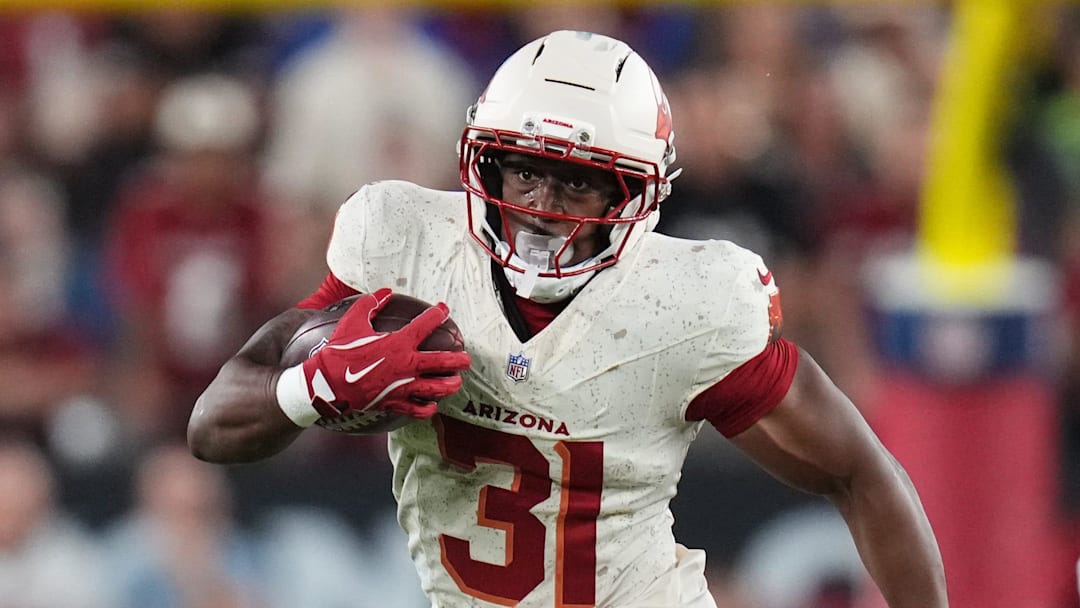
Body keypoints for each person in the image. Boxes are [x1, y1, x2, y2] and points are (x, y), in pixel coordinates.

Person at [189, 30, 948, 607]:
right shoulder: (404, 243)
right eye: (525, 171)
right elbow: (212, 425)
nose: (541, 211)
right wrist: (313, 388)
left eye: (578, 184)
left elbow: (856, 470)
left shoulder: (685, 303)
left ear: (635, 197)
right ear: (483, 162)